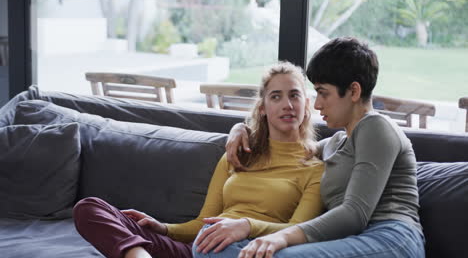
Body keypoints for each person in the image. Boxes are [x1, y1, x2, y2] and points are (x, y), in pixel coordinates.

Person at [73, 61, 325, 258]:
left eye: (294, 95)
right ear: (262, 108)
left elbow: (298, 231)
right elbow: (200, 225)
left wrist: (245, 226)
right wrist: (163, 228)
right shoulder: (237, 155)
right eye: (276, 96)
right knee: (90, 208)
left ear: (307, 104)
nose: (287, 105)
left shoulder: (315, 169)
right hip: (198, 246)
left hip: (245, 251)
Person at [221, 37, 425, 258]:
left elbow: (354, 214)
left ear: (354, 92)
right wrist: (242, 129)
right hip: (350, 240)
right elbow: (291, 150)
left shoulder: (377, 127)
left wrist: (281, 236)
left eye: (323, 92)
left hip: (392, 237)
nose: (317, 104)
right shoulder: (335, 143)